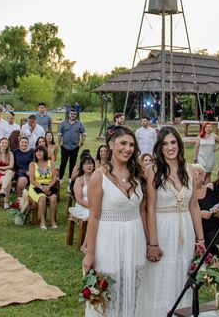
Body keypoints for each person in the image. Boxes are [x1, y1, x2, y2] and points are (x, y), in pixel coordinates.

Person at [82, 126, 147, 316]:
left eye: (132, 145)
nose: (128, 148)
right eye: (123, 143)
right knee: (109, 289)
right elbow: (94, 216)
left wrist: (151, 242)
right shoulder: (98, 176)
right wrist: (90, 253)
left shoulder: (138, 174)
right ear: (111, 145)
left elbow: (142, 210)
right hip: (109, 240)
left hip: (135, 238)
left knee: (133, 288)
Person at [142, 126, 205, 315]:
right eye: (165, 144)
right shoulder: (152, 170)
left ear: (179, 144)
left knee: (182, 275)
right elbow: (149, 208)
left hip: (185, 230)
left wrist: (200, 241)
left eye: (173, 142)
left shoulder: (189, 169)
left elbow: (194, 206)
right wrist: (152, 243)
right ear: (160, 148)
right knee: (161, 276)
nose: (170, 147)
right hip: (162, 228)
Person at [190, 163, 219, 251]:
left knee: (212, 239)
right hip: (192, 227)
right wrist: (200, 214)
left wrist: (217, 212)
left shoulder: (209, 191)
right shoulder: (188, 192)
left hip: (210, 228)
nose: (201, 177)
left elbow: (217, 210)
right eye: (199, 174)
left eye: (201, 174)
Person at [28, 145, 59, 230]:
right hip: (36, 186)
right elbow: (31, 180)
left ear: (44, 152)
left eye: (40, 151)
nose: (38, 153)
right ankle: (42, 221)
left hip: (48, 186)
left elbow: (54, 177)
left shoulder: (51, 163)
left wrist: (48, 186)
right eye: (37, 151)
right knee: (42, 198)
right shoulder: (32, 164)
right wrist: (41, 187)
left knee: (53, 197)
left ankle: (52, 221)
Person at [57, 109, 86, 182]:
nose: (72, 115)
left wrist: (81, 143)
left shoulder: (79, 124)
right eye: (71, 113)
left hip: (75, 147)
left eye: (74, 114)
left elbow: (84, 134)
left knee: (72, 163)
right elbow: (60, 134)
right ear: (68, 114)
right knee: (63, 163)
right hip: (65, 146)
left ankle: (70, 178)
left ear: (76, 115)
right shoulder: (63, 123)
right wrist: (59, 144)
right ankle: (60, 178)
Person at [0, 138, 15, 210]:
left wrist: (0, 168)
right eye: (2, 143)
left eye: (6, 143)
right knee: (8, 181)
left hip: (7, 174)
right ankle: (6, 203)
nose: (4, 145)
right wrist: (2, 172)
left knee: (10, 172)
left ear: (8, 145)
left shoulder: (10, 154)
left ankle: (2, 190)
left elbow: (11, 166)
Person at [69, 154, 95, 220]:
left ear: (94, 166)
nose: (89, 165)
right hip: (83, 207)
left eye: (91, 164)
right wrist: (92, 207)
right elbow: (79, 199)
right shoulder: (79, 180)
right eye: (86, 164)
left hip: (97, 205)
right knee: (94, 216)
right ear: (82, 167)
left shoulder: (98, 178)